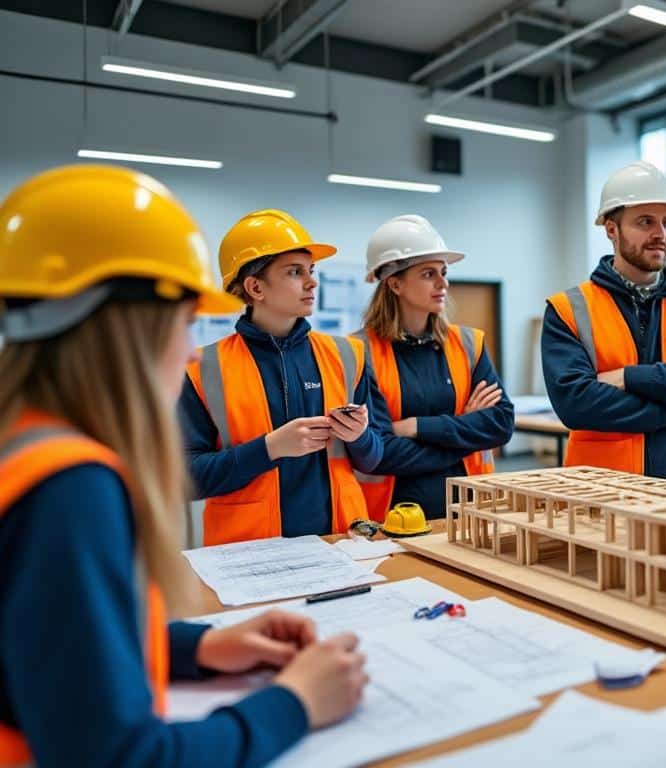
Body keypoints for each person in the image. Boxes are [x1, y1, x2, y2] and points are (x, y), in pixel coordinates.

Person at [0, 165, 367, 767]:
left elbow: (61, 645)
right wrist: (294, 703)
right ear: (131, 330)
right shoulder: (68, 487)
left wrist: (200, 647)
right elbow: (124, 758)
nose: (193, 347)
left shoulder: (23, 447)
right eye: (185, 322)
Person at [178, 209, 384, 544]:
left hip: (342, 543)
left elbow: (375, 458)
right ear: (255, 287)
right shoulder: (203, 368)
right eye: (294, 271)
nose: (312, 281)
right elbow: (186, 479)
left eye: (311, 270)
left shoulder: (349, 356)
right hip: (248, 555)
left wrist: (360, 437)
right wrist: (269, 448)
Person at [541, 161, 666, 486]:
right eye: (645, 222)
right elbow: (577, 405)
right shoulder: (569, 309)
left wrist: (630, 377)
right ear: (611, 229)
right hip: (602, 494)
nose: (660, 234)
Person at [354, 214, 514, 521]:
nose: (444, 283)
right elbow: (380, 452)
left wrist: (416, 427)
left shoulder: (469, 344)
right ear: (395, 283)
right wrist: (464, 428)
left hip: (470, 512)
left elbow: (501, 424)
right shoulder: (359, 354)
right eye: (429, 274)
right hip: (391, 517)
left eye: (443, 272)